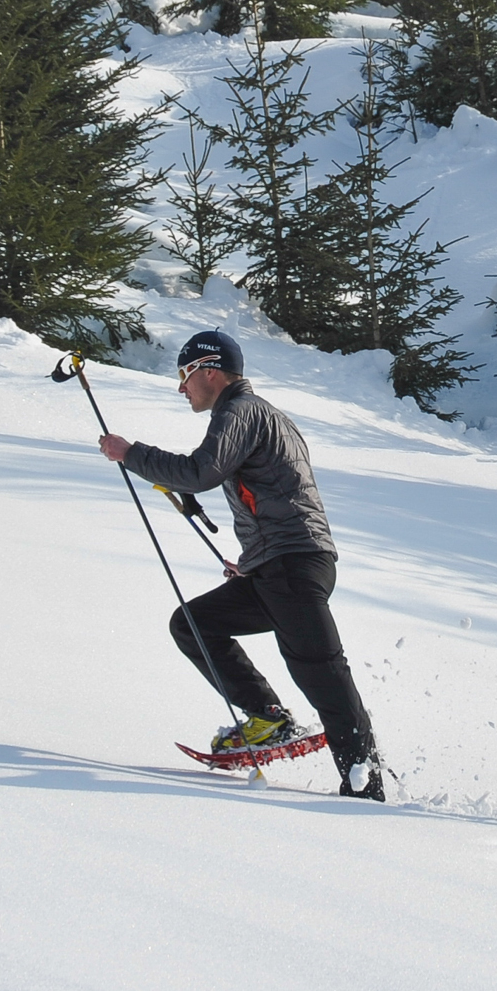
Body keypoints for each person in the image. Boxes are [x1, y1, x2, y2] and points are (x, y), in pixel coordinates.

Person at [103, 330, 387, 800]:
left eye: (184, 376)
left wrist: (130, 453)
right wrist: (254, 562)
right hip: (280, 565)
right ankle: (269, 719)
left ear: (208, 371)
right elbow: (277, 495)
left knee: (320, 670)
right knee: (194, 624)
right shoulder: (264, 417)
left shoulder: (240, 411)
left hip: (293, 565)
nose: (181, 388)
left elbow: (201, 473)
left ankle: (364, 785)